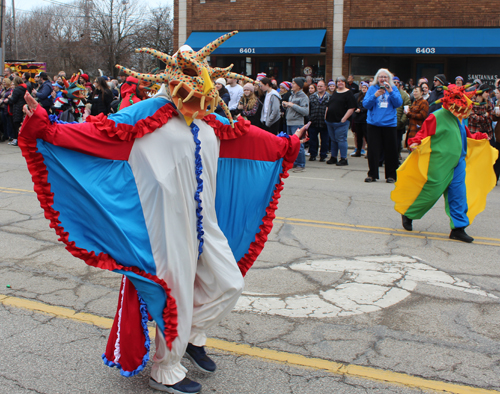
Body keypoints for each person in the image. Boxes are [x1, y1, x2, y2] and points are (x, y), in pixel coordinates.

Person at [19, 31, 305, 394]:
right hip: (165, 224)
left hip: (205, 222)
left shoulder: (210, 119)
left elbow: (249, 139)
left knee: (229, 283)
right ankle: (165, 369)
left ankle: (190, 335)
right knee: (177, 292)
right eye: (186, 69)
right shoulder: (148, 114)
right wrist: (45, 126)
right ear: (171, 74)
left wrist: (288, 143)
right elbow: (96, 134)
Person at [392, 83, 497, 243]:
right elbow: (422, 133)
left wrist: (479, 138)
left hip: (458, 163)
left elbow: (466, 135)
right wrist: (415, 142)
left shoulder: (459, 117)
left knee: (459, 195)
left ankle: (458, 228)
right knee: (431, 193)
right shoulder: (437, 116)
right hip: (439, 163)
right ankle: (409, 213)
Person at [362, 68, 403, 183]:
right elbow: (366, 104)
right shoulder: (372, 89)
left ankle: (391, 175)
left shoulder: (393, 89)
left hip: (389, 124)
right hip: (374, 124)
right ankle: (372, 174)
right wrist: (375, 95)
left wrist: (390, 92)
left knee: (391, 151)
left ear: (389, 79)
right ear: (377, 79)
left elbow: (398, 103)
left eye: (385, 77)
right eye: (381, 77)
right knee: (373, 150)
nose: (383, 79)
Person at [325, 76, 356, 166]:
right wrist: (326, 116)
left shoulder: (349, 93)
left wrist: (344, 118)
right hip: (330, 121)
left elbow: (352, 107)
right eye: (338, 82)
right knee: (333, 140)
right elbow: (328, 105)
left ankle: (343, 158)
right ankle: (333, 157)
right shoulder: (335, 92)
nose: (340, 83)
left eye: (342, 81)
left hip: (341, 122)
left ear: (345, 83)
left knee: (341, 140)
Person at [283, 77, 309, 172]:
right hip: (289, 122)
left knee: (298, 144)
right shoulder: (292, 95)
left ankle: (301, 164)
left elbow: (305, 111)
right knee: (291, 144)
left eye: (293, 83)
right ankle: (294, 162)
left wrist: (292, 105)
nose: (292, 85)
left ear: (299, 85)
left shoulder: (303, 97)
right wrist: (286, 106)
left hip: (297, 123)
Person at [308, 80, 330, 162]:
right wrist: (309, 119)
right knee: (313, 140)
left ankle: (323, 155)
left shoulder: (329, 97)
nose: (319, 88)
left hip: (324, 122)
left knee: (325, 140)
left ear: (325, 87)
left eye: (321, 86)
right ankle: (313, 154)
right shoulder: (312, 97)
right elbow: (309, 109)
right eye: (318, 86)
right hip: (313, 121)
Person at [7, 76, 28, 146]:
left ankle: (18, 140)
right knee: (22, 124)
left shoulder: (17, 89)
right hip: (23, 106)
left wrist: (10, 98)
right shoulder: (24, 88)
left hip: (17, 108)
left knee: (16, 124)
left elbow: (14, 100)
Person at [394, 77, 411, 159]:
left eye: (397, 82)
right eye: (394, 82)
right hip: (388, 124)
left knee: (397, 143)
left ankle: (396, 158)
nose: (396, 84)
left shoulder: (404, 95)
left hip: (399, 124)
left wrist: (402, 121)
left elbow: (407, 108)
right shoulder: (386, 93)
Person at [352, 82, 369, 157]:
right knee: (358, 136)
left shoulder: (369, 96)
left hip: (365, 119)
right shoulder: (357, 96)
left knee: (367, 136)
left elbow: (369, 106)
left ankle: (369, 152)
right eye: (363, 87)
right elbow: (354, 105)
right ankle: (358, 150)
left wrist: (361, 110)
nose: (364, 89)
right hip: (358, 119)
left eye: (365, 87)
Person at [0, 78, 13, 142]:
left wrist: (2, 100)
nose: (4, 84)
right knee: (3, 122)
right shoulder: (3, 89)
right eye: (3, 82)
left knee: (7, 122)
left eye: (5, 82)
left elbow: (7, 98)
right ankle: (5, 135)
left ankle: (8, 135)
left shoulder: (10, 90)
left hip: (6, 107)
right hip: (2, 107)